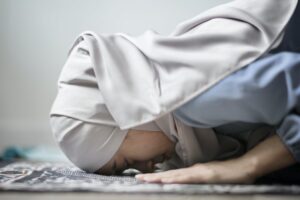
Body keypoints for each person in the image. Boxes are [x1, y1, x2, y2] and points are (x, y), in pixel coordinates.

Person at [49, 0, 299, 184]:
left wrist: (247, 166)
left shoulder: (193, 100)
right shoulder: (185, 135)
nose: (145, 167)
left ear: (128, 115)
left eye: (126, 162)